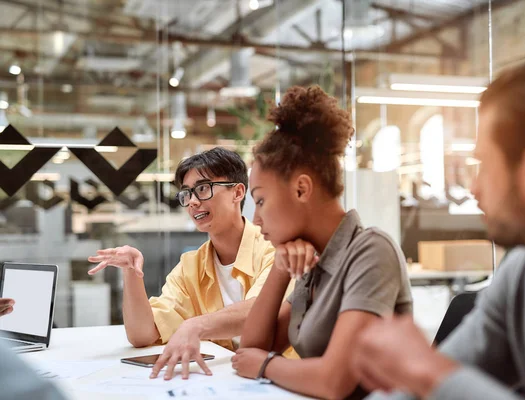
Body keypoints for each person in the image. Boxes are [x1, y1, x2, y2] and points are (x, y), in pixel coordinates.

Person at [354, 59, 525, 400]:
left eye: (483, 165)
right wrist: (422, 372)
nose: (474, 188)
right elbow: (428, 383)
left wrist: (426, 370)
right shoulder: (524, 275)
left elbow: (433, 376)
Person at [231, 86, 413, 400]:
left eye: (260, 201)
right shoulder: (314, 260)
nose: (256, 219)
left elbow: (333, 381)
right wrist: (280, 267)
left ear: (301, 189)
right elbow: (251, 349)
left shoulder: (371, 251)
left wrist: (267, 366)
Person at [88, 147, 284, 380]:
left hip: (279, 379)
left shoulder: (273, 248)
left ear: (238, 192)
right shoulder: (192, 265)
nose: (192, 201)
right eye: (187, 194)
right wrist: (131, 272)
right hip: (226, 380)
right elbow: (142, 335)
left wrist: (195, 326)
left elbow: (261, 310)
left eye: (202, 189)